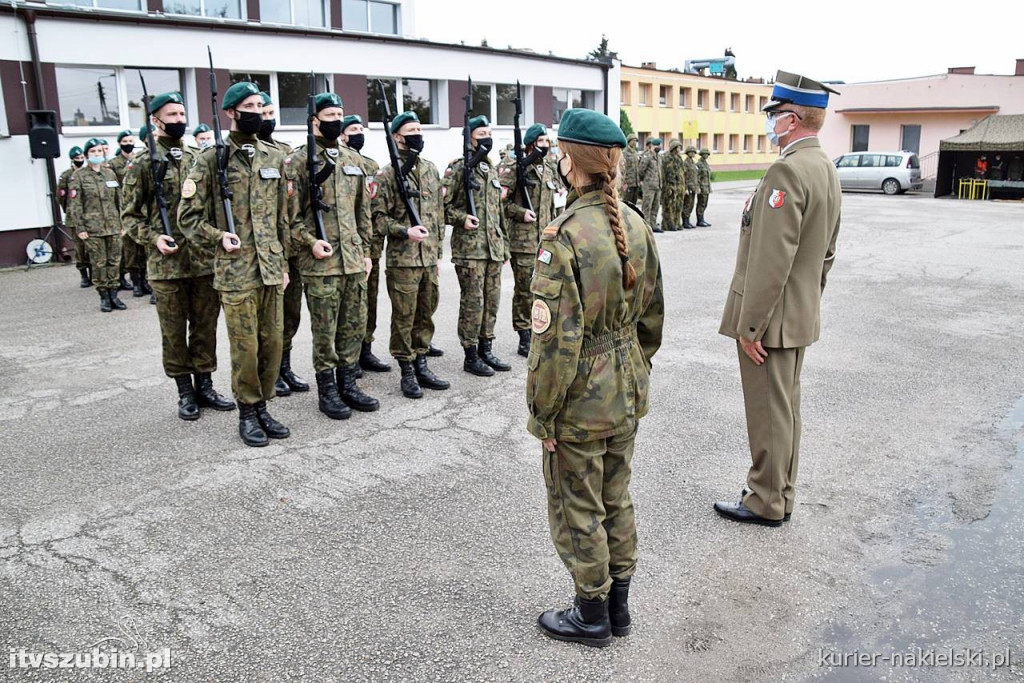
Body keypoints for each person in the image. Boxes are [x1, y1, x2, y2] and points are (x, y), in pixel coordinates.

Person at [528, 108, 663, 648]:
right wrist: (632, 370)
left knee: (577, 503)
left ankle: (591, 614)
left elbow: (554, 346)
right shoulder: (634, 223)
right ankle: (620, 607)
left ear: (570, 161)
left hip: (581, 397)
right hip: (626, 388)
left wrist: (543, 414)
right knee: (616, 495)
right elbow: (651, 320)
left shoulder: (562, 236)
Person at [715, 70, 842, 527]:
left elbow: (772, 259)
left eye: (774, 115)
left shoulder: (787, 169)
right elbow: (826, 251)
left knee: (769, 412)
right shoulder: (824, 166)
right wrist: (808, 299)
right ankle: (781, 492)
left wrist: (751, 327)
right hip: (796, 314)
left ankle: (765, 499)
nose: (770, 124)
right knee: (785, 409)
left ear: (790, 119)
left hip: (770, 319)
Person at [177, 81, 292, 448]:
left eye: (261, 105)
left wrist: (285, 262)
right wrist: (218, 237)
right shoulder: (211, 159)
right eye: (249, 106)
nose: (257, 111)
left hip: (271, 268)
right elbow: (188, 217)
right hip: (236, 269)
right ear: (231, 112)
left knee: (273, 342)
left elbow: (282, 217)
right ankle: (247, 409)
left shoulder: (273, 156)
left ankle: (264, 406)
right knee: (246, 346)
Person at [121, 90, 234, 421]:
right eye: (172, 115)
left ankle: (206, 385)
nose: (179, 120)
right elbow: (129, 216)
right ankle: (185, 391)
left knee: (205, 327)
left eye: (182, 114)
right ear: (155, 120)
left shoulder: (199, 157)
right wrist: (154, 238)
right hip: (166, 265)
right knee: (173, 331)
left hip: (201, 261)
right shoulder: (143, 163)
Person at [285, 92, 379, 419]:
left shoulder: (352, 160)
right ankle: (327, 390)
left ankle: (348, 383)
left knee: (353, 325)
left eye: (340, 113)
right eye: (330, 114)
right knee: (325, 329)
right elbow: (290, 218)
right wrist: (310, 241)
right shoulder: (298, 162)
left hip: (353, 259)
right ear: (314, 120)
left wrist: (366, 252)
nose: (337, 119)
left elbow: (362, 212)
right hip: (320, 262)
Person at [370, 110, 450, 399]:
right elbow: (377, 218)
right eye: (411, 130)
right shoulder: (387, 173)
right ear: (397, 137)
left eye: (420, 128)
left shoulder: (430, 169)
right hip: (403, 259)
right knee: (404, 315)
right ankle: (406, 369)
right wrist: (405, 231)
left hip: (428, 257)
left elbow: (438, 216)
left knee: (426, 313)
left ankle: (422, 362)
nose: (417, 134)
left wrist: (438, 253)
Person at [442, 115, 512, 376]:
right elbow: (442, 209)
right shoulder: (459, 168)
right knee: (473, 301)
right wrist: (462, 219)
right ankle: (470, 354)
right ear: (469, 138)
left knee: (492, 301)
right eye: (481, 134)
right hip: (470, 249)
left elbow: (498, 211)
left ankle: (486, 348)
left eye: (489, 133)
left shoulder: (490, 168)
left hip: (493, 248)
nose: (487, 138)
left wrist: (503, 244)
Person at [252, 91, 309, 399]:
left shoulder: (287, 153)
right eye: (263, 112)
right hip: (267, 251)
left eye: (272, 112)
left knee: (291, 313)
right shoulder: (253, 155)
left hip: (293, 247)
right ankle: (269, 372)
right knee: (268, 320)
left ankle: (284, 366)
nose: (268, 118)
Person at [499, 123, 558, 357]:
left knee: (543, 288)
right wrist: (520, 212)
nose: (546, 145)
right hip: (522, 241)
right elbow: (501, 202)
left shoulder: (548, 169)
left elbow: (551, 205)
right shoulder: (516, 168)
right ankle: (524, 335)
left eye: (548, 141)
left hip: (545, 239)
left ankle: (539, 330)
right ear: (532, 143)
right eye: (542, 141)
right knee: (525, 289)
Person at [341, 113, 390, 375]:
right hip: (347, 245)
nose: (358, 133)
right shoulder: (336, 162)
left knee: (369, 300)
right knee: (350, 304)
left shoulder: (372, 166)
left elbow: (376, 205)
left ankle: (365, 350)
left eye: (361, 128)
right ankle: (347, 356)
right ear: (342, 134)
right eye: (352, 129)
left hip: (371, 244)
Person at [66, 138, 127, 312]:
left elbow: (119, 200)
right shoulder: (79, 176)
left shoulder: (109, 174)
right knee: (99, 263)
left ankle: (114, 294)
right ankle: (104, 297)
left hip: (113, 225)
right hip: (93, 228)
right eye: (93, 152)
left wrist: (122, 223)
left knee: (114, 261)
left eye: (99, 151)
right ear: (86, 155)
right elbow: (75, 204)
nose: (97, 155)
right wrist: (81, 228)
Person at [59, 145, 91, 287]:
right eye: (77, 158)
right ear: (72, 159)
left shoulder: (86, 173)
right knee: (80, 249)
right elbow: (61, 196)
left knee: (91, 248)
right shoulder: (66, 175)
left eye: (82, 158)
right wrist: (69, 210)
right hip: (74, 218)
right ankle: (84, 275)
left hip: (89, 216)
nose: (80, 160)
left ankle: (94, 274)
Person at [659, 139, 685, 231]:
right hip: (670, 185)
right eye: (678, 147)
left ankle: (677, 222)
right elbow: (667, 174)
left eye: (679, 147)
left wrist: (682, 187)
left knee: (678, 205)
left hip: (679, 186)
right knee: (669, 206)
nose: (679, 149)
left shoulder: (678, 158)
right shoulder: (668, 158)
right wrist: (668, 187)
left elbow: (682, 172)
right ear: (673, 148)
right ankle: (669, 224)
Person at [638, 138, 663, 232]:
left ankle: (653, 224)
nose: (659, 147)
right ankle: (646, 226)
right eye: (658, 146)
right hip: (649, 186)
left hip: (658, 186)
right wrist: (642, 181)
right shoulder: (647, 156)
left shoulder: (658, 157)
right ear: (653, 146)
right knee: (647, 206)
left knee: (655, 207)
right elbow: (641, 170)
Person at [680, 146, 699, 229]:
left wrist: (697, 186)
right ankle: (685, 221)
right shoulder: (685, 163)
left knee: (691, 204)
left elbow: (696, 176)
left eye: (694, 152)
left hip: (693, 186)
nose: (693, 153)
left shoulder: (693, 163)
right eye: (691, 152)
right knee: (687, 204)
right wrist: (685, 188)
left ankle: (688, 220)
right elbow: (683, 176)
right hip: (688, 186)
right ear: (687, 153)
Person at [620, 133, 641, 206]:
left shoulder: (635, 153)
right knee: (626, 204)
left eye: (636, 141)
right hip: (628, 183)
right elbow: (622, 169)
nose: (635, 142)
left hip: (635, 183)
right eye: (633, 140)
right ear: (629, 141)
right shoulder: (624, 153)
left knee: (633, 205)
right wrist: (624, 182)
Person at [695, 149, 713, 226]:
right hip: (702, 187)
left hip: (707, 187)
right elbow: (697, 177)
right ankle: (699, 220)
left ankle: (702, 218)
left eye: (707, 154)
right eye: (705, 154)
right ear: (702, 154)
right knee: (701, 204)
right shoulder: (699, 164)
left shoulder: (705, 164)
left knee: (705, 204)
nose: (706, 155)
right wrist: (698, 187)